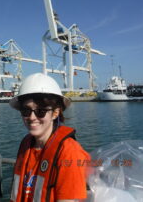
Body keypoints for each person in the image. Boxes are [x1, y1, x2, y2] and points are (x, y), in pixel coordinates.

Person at [9, 73, 91, 202]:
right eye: (26, 111)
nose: (32, 117)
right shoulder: (27, 143)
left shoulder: (69, 152)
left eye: (41, 111)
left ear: (55, 113)